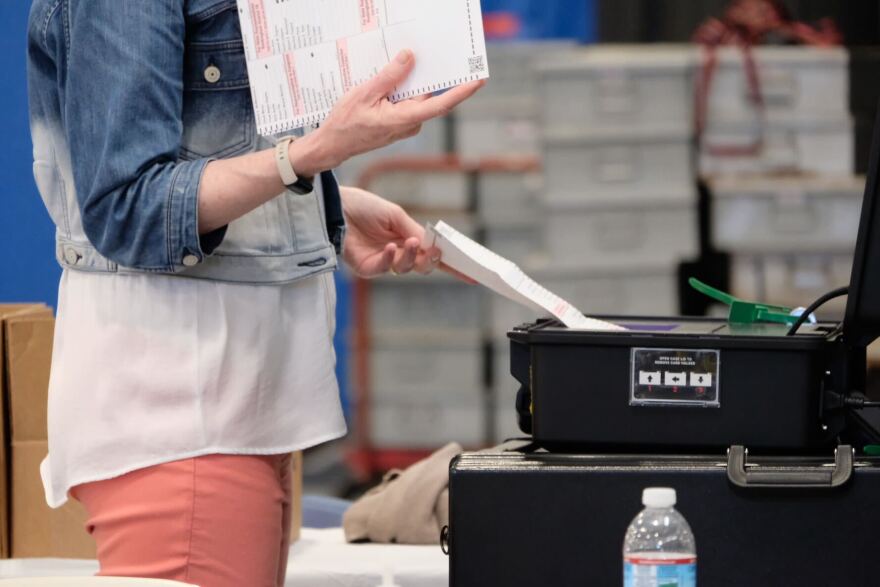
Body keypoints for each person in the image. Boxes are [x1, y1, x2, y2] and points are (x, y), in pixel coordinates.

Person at [26, 1, 483, 586]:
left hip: (236, 405)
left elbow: (215, 150)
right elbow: (127, 207)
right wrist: (308, 157)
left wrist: (322, 206)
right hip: (183, 408)